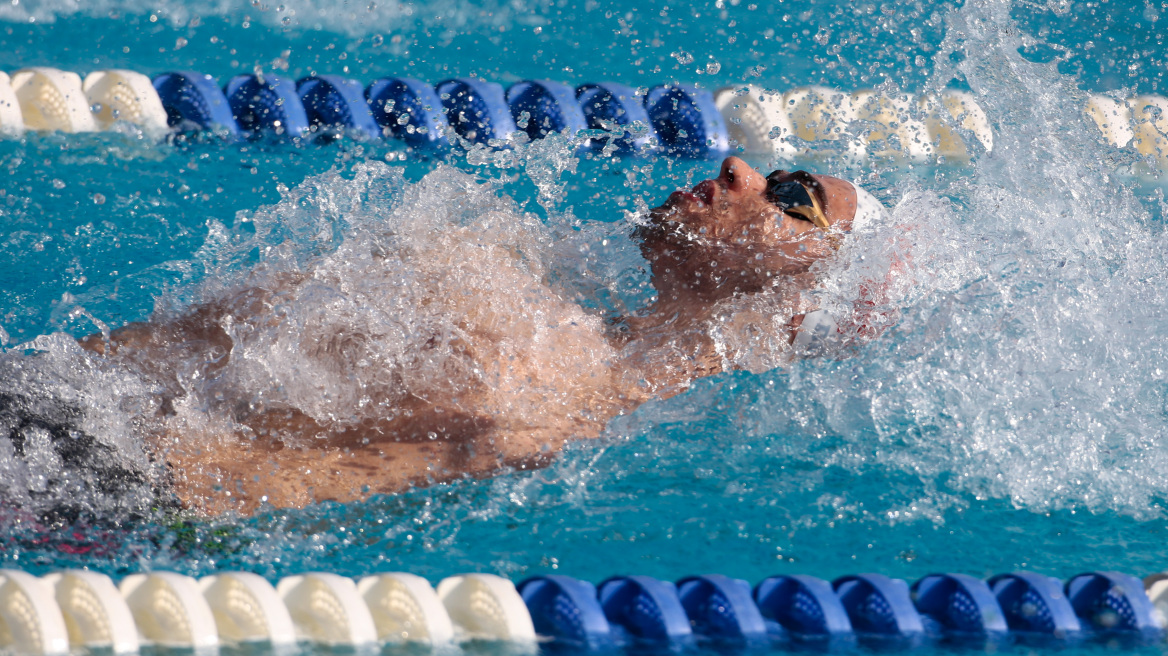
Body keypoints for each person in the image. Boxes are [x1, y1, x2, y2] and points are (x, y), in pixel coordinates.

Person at [75, 156, 886, 515]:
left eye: (793, 195)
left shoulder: (574, 414)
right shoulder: (536, 285)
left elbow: (272, 482)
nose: (740, 167)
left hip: (85, 473)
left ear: (799, 302)